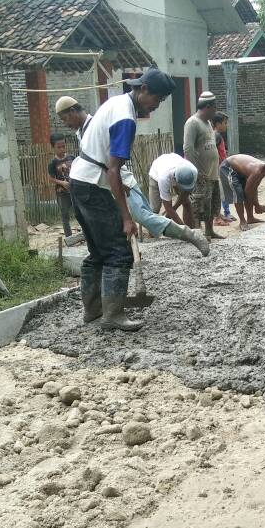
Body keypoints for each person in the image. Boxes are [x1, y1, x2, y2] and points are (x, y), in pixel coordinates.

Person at [67, 67, 178, 333]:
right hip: (94, 185)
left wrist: (120, 189)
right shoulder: (126, 118)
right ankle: (113, 315)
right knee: (118, 250)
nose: (156, 106)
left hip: (80, 180)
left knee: (97, 252)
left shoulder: (115, 102)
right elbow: (114, 169)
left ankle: (92, 309)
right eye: (157, 99)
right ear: (144, 90)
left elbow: (107, 161)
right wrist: (127, 217)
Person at [184, 91, 223, 241]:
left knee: (212, 204)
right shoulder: (192, 122)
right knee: (199, 204)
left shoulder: (207, 123)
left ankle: (209, 231)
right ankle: (198, 234)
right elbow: (188, 149)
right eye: (214, 108)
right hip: (201, 173)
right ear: (207, 107)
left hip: (212, 173)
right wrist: (196, 171)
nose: (215, 111)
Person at [219, 154, 265, 231]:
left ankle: (250, 218)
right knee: (238, 193)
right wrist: (257, 205)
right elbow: (248, 192)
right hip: (227, 167)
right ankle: (242, 221)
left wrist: (257, 205)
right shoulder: (257, 171)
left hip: (239, 170)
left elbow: (254, 189)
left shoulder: (263, 171)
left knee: (249, 192)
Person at [147, 152, 197, 226]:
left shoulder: (193, 171)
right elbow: (167, 206)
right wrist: (183, 229)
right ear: (176, 180)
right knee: (155, 209)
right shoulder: (163, 178)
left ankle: (191, 228)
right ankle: (152, 232)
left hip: (173, 165)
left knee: (186, 202)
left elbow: (185, 194)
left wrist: (174, 208)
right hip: (156, 171)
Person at [47, 133, 76, 243]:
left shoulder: (72, 158)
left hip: (74, 191)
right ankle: (69, 239)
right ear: (53, 147)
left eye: (63, 146)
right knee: (65, 215)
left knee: (80, 213)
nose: (62, 149)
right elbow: (50, 178)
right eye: (59, 147)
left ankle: (85, 235)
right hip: (62, 193)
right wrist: (62, 183)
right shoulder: (52, 163)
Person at [212, 112, 235, 224]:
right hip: (219, 168)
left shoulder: (217, 135)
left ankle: (225, 213)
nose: (227, 125)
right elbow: (213, 152)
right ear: (217, 124)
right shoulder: (216, 135)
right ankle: (223, 214)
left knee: (223, 190)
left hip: (221, 167)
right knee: (222, 191)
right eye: (225, 123)